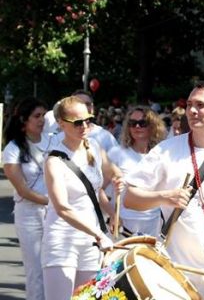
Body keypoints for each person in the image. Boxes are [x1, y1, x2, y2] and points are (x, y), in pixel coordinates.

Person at [124, 82, 204, 299]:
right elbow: (129, 198)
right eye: (190, 105)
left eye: (201, 105)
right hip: (172, 272)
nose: (192, 110)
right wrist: (164, 197)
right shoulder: (166, 151)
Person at [41, 95, 122, 300]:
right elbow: (62, 207)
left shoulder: (94, 146)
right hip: (62, 239)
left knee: (87, 298)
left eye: (89, 120)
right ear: (61, 124)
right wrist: (98, 234)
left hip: (92, 241)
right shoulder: (54, 160)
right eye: (77, 122)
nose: (84, 126)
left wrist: (113, 212)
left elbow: (97, 191)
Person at [2, 98, 52, 300]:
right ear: (24, 120)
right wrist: (54, 202)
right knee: (36, 271)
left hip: (57, 213)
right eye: (36, 116)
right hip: (30, 215)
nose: (42, 120)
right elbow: (22, 190)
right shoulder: (12, 149)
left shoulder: (53, 140)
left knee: (55, 267)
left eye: (43, 115)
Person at [107, 106, 167, 237]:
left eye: (142, 123)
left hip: (154, 223)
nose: (137, 127)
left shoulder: (162, 155)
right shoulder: (116, 153)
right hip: (123, 223)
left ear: (152, 126)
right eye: (132, 123)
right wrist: (112, 215)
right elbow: (100, 190)